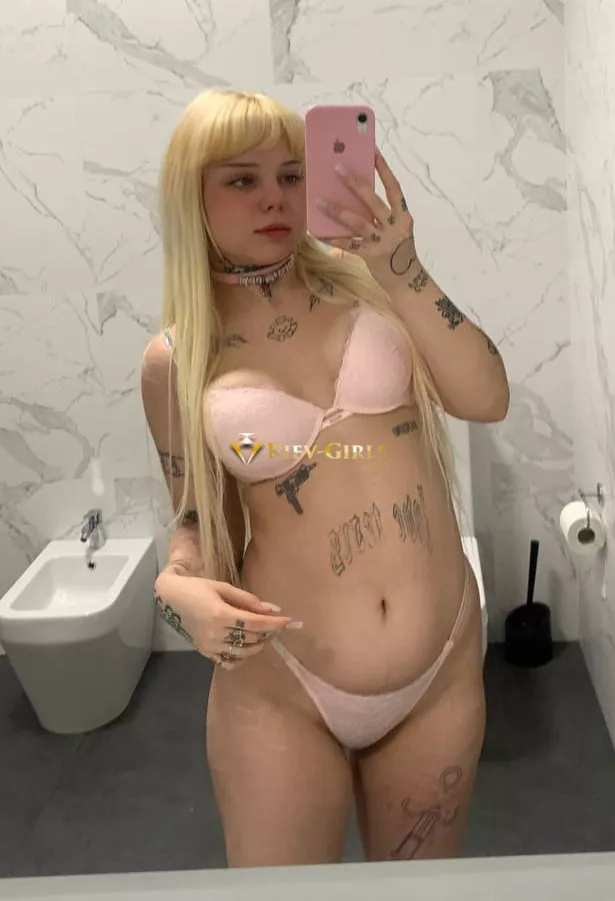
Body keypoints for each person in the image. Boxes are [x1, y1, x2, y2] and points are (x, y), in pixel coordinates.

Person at [140, 88, 510, 869]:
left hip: (438, 662)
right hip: (285, 682)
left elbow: (486, 398)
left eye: (290, 174)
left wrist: (401, 269)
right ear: (191, 195)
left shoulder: (370, 286)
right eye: (241, 179)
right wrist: (175, 591)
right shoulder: (178, 358)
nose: (274, 197)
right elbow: (195, 523)